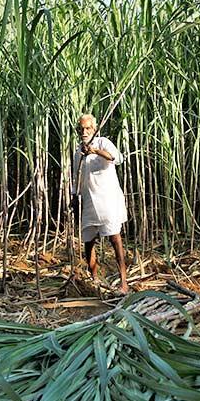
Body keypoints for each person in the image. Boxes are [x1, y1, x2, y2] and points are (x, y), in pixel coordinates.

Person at [71, 114, 129, 294]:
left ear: (94, 129)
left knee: (114, 237)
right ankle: (94, 278)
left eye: (88, 128)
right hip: (89, 199)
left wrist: (95, 151)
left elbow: (117, 158)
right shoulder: (78, 152)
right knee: (88, 240)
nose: (84, 132)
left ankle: (123, 282)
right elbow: (76, 176)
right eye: (81, 129)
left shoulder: (103, 142)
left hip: (107, 199)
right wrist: (74, 196)